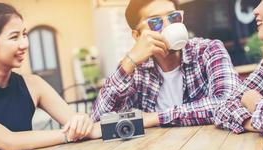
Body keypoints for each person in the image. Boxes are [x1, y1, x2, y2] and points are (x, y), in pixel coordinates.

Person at [0, 3, 100, 150]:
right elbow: (9, 142)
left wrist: (81, 120)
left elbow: (76, 123)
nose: (24, 43)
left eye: (24, 34)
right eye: (14, 37)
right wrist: (70, 134)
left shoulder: (34, 84)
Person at [91, 0, 240, 128]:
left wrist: (153, 118)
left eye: (174, 17)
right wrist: (129, 62)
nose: (168, 26)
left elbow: (230, 102)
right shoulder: (136, 70)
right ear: (137, 36)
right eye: (155, 22)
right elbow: (99, 121)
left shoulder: (208, 50)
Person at [214, 0, 263, 139]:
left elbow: (249, 98)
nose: (255, 10)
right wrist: (251, 122)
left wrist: (255, 102)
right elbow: (222, 107)